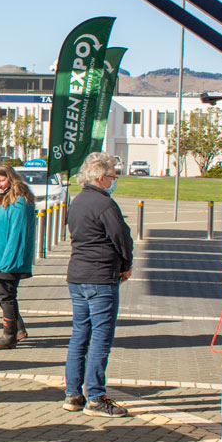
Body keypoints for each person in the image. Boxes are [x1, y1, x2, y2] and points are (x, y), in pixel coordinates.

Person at [64, 151, 133, 418]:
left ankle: (73, 393)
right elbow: (121, 237)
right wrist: (126, 264)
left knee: (79, 335)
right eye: (113, 177)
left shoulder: (77, 201)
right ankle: (95, 396)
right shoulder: (105, 204)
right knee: (101, 337)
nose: (115, 181)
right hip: (100, 276)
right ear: (101, 177)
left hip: (78, 275)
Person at [0, 164, 36, 350]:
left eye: (2, 180)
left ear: (11, 179)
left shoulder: (19, 202)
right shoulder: (2, 200)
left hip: (7, 259)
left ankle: (9, 335)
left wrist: (8, 262)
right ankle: (18, 328)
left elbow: (17, 233)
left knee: (6, 295)